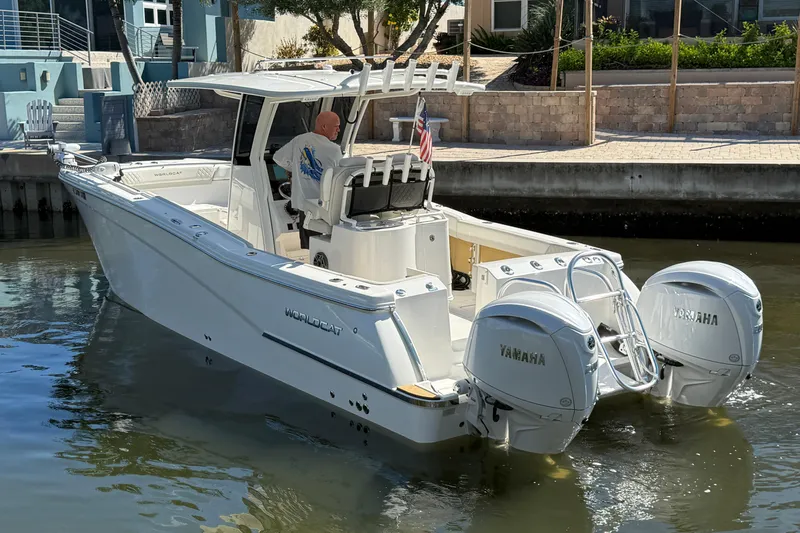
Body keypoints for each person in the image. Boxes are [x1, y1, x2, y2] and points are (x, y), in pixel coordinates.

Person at [273, 111, 343, 249]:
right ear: (324, 127)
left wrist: (294, 169)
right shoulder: (334, 150)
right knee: (326, 247)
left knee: (309, 248)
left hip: (306, 208)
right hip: (326, 208)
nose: (339, 130)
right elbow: (338, 178)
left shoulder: (299, 140)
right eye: (336, 126)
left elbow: (278, 157)